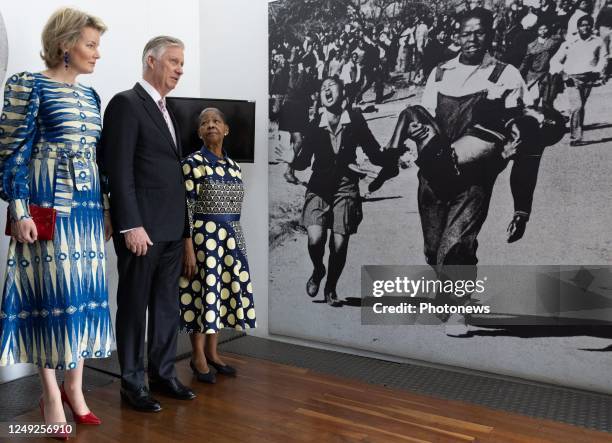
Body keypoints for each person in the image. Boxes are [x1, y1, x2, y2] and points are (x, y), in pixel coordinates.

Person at [0, 7, 113, 433]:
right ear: (66, 44)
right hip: (48, 207)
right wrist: (20, 209)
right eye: (90, 44)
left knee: (81, 297)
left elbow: (96, 159)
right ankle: (51, 396)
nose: (97, 53)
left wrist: (104, 208)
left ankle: (76, 389)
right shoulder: (29, 86)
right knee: (50, 299)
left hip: (84, 212)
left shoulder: (91, 96)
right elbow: (12, 152)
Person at [100, 35, 195, 412]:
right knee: (134, 304)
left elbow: (174, 176)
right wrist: (129, 225)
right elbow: (118, 169)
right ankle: (133, 383)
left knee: (167, 307)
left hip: (171, 228)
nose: (180, 69)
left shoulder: (170, 110)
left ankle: (163, 374)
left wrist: (185, 232)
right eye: (173, 61)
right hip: (141, 231)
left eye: (182, 62)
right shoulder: (126, 103)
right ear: (150, 61)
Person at [291, 77, 391, 306]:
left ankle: (331, 288)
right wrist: (291, 159)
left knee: (339, 243)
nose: (326, 89)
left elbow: (374, 152)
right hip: (318, 186)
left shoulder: (355, 119)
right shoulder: (316, 122)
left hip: (346, 186)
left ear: (342, 91)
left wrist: (391, 156)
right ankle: (318, 270)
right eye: (322, 88)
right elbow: (304, 161)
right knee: (315, 240)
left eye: (331, 86)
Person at [180, 108, 256, 382]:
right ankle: (197, 356)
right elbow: (185, 208)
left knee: (221, 294)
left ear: (226, 129)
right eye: (204, 123)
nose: (210, 125)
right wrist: (187, 247)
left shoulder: (234, 167)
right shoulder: (192, 163)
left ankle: (213, 353)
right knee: (203, 294)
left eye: (216, 121)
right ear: (199, 132)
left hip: (231, 239)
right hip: (203, 239)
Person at [550, 14, 607, 146]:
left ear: (592, 26)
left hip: (589, 77)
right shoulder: (570, 43)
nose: (585, 27)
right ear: (578, 27)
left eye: (588, 24)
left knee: (581, 107)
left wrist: (598, 71)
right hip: (572, 78)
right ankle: (575, 138)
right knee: (577, 106)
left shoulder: (598, 41)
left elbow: (603, 58)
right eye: (582, 25)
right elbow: (555, 60)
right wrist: (563, 73)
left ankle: (576, 129)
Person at [519, 23, 563, 109]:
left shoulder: (554, 41)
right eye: (540, 29)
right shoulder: (531, 45)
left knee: (547, 101)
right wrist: (519, 72)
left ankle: (547, 119)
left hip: (548, 75)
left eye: (545, 28)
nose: (543, 31)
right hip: (534, 75)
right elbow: (526, 61)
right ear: (537, 31)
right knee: (533, 100)